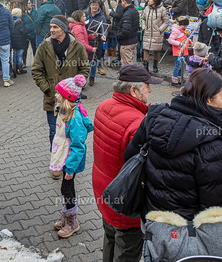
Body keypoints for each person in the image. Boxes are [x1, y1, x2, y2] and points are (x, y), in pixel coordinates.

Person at [125, 68, 222, 220]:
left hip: (152, 216)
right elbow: (215, 205)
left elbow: (130, 157)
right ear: (208, 100)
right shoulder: (213, 144)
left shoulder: (154, 117)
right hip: (186, 227)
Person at [93, 65, 162, 262]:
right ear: (133, 91)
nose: (150, 90)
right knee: (127, 250)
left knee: (110, 238)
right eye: (147, 86)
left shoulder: (104, 105)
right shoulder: (136, 123)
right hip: (124, 199)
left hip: (104, 191)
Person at [31, 16, 90, 168]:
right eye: (51, 27)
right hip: (52, 98)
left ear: (63, 29)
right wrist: (47, 88)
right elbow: (36, 70)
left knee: (71, 131)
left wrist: (77, 85)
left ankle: (69, 160)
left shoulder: (77, 47)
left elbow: (84, 68)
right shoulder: (44, 46)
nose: (51, 30)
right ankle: (56, 162)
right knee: (54, 131)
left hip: (71, 100)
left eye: (55, 27)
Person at [50, 75, 93, 238]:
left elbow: (78, 146)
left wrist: (70, 168)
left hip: (70, 161)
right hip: (64, 156)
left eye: (58, 93)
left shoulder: (74, 118)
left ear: (66, 97)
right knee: (67, 188)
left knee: (66, 189)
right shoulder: (64, 110)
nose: (55, 95)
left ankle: (72, 222)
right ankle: (66, 216)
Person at [141, 0, 168, 74]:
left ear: (155, 1)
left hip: (157, 33)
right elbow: (143, 18)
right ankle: (145, 66)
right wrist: (144, 27)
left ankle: (155, 65)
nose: (149, 0)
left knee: (156, 49)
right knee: (146, 48)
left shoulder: (162, 9)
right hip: (148, 31)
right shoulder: (147, 8)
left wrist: (160, 29)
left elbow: (166, 21)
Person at [86, 0, 108, 85]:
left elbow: (104, 29)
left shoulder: (101, 17)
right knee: (84, 60)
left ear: (99, 6)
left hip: (96, 41)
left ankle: (92, 77)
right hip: (85, 39)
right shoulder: (85, 14)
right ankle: (82, 78)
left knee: (94, 60)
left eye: (96, 5)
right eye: (93, 5)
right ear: (90, 5)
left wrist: (103, 35)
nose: (94, 7)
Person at [117, 0, 139, 65]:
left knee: (127, 64)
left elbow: (126, 30)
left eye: (121, 1)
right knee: (129, 61)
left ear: (124, 2)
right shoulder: (135, 11)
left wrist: (118, 36)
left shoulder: (127, 14)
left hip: (127, 42)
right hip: (133, 40)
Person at [167, 16, 190, 86]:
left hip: (183, 51)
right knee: (178, 66)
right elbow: (170, 40)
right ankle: (174, 81)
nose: (185, 27)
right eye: (184, 26)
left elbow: (183, 39)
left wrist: (189, 41)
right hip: (178, 52)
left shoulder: (182, 30)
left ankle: (179, 80)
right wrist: (179, 43)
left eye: (186, 26)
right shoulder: (176, 31)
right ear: (180, 24)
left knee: (181, 66)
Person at [11, 8, 27, 75]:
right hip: (20, 41)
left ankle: (14, 67)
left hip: (13, 40)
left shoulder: (11, 21)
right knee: (20, 54)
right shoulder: (21, 22)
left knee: (14, 54)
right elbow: (23, 32)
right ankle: (19, 68)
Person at [21, 0, 37, 64]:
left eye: (30, 3)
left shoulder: (34, 11)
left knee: (35, 49)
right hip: (25, 34)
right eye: (29, 3)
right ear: (25, 4)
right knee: (24, 49)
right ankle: (24, 62)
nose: (30, 4)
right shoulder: (22, 13)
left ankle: (36, 63)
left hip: (33, 33)